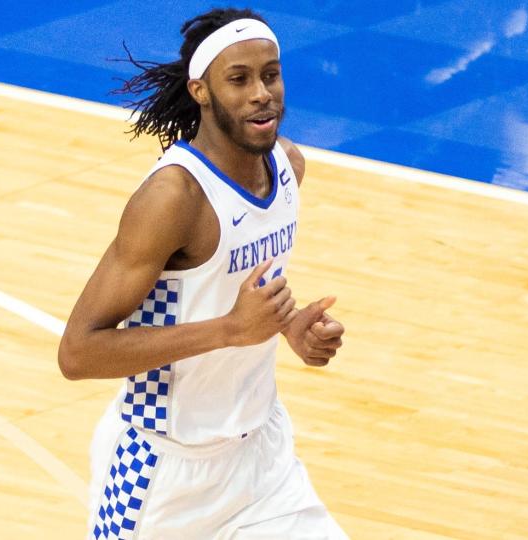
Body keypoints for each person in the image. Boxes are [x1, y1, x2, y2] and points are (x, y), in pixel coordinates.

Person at [58, 7, 347, 539]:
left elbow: (240, 284)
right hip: (162, 477)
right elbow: (77, 353)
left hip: (262, 461)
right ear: (201, 91)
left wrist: (290, 326)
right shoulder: (174, 198)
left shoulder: (286, 169)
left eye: (270, 74)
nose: (262, 92)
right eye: (239, 79)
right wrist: (230, 331)